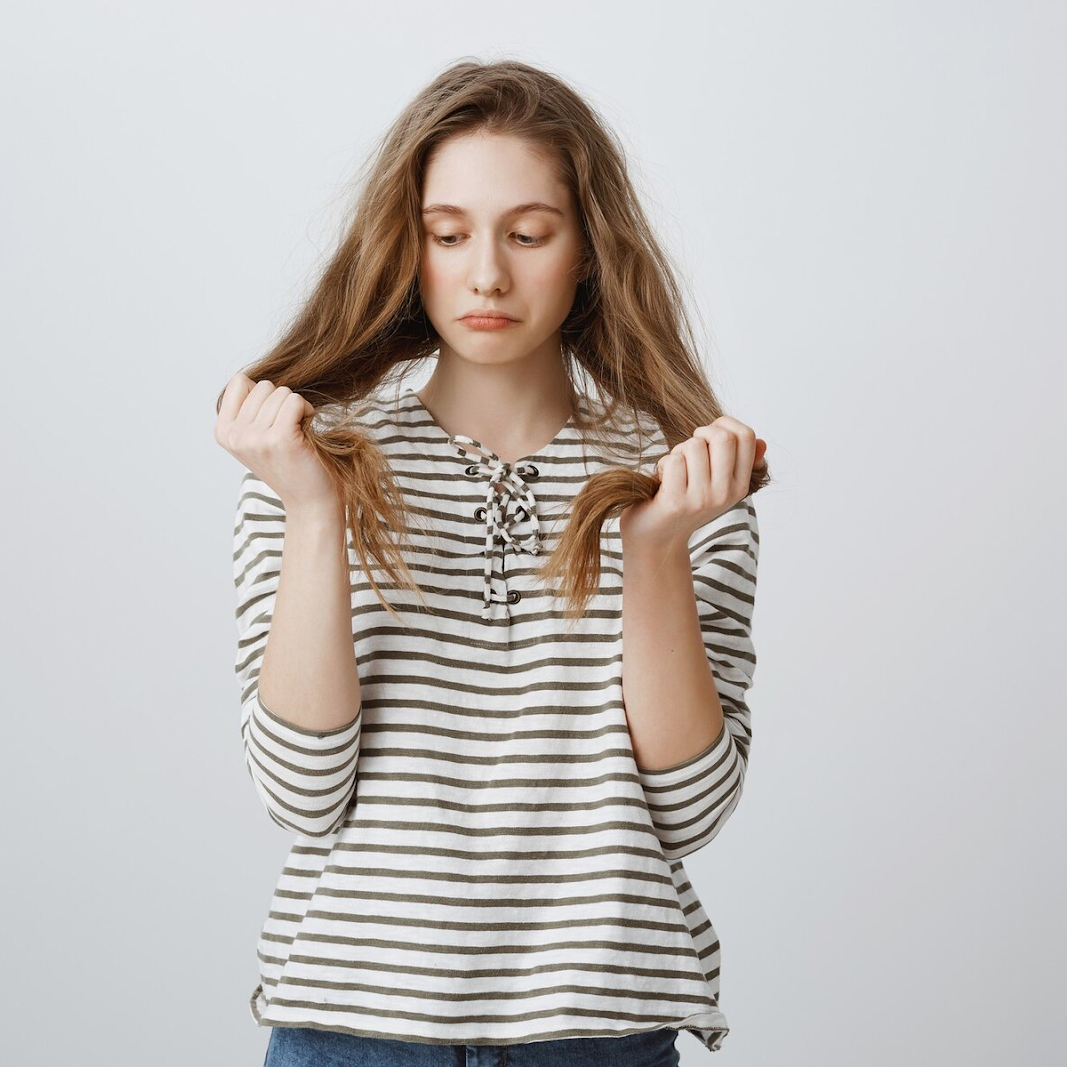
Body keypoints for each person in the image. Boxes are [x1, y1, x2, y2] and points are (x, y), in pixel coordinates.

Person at [213, 59, 769, 1065]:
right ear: (407, 247)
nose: (486, 275)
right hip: (353, 1028)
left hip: (596, 1031)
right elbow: (300, 792)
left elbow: (688, 808)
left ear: (589, 249)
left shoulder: (684, 483)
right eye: (449, 233)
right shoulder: (311, 466)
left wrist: (651, 552)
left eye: (527, 233)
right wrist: (311, 508)